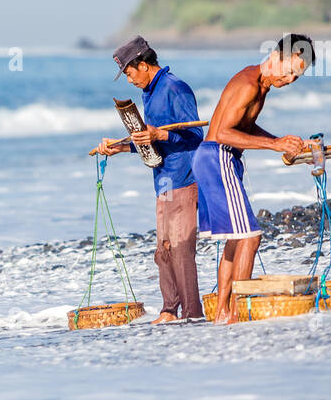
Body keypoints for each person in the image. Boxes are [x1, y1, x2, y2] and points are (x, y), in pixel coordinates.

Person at [194, 34, 313, 324]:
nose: (289, 80)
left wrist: (280, 141)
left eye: (296, 76)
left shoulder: (261, 84)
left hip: (214, 158)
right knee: (250, 236)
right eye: (288, 71)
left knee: (236, 240)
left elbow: (244, 126)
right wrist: (275, 145)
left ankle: (222, 311)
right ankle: (237, 311)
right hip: (217, 155)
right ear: (274, 57)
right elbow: (222, 132)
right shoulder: (249, 84)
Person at [96, 36, 204, 323]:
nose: (130, 80)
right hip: (163, 181)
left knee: (181, 250)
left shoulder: (174, 87)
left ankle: (192, 315)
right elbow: (149, 141)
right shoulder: (149, 93)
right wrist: (118, 147)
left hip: (184, 177)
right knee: (164, 251)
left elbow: (196, 136)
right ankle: (169, 311)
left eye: (130, 74)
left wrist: (159, 134)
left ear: (143, 65)